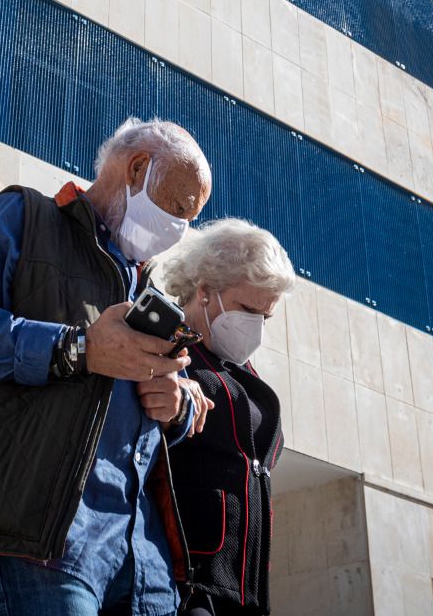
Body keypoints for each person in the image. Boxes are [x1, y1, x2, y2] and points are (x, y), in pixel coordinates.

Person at [0, 117, 217, 616]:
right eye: (179, 208)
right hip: (45, 540)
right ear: (136, 169)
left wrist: (174, 407)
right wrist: (78, 349)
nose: (180, 229)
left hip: (141, 558)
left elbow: (142, 416)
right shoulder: (24, 217)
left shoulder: (144, 285)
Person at [157, 220, 297, 615]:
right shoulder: (164, 346)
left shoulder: (241, 370)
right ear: (205, 290)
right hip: (183, 584)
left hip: (243, 591)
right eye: (249, 310)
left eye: (265, 317)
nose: (256, 328)